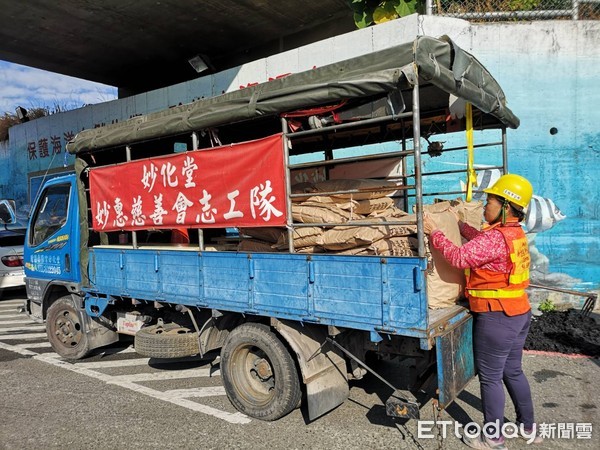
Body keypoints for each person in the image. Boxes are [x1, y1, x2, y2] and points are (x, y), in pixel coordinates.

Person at [423, 174, 542, 449]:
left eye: (489, 200)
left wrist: (435, 232)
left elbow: (459, 257)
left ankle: (493, 438)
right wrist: (460, 224)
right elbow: (482, 243)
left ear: (505, 206)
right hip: (518, 313)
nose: (485, 204)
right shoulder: (513, 234)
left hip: (496, 315)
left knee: (490, 378)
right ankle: (528, 428)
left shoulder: (496, 238)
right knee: (513, 371)